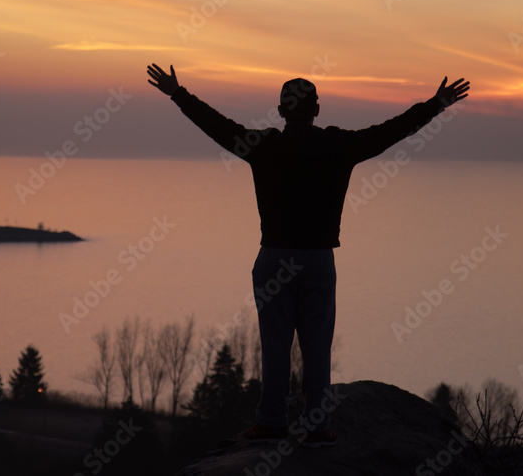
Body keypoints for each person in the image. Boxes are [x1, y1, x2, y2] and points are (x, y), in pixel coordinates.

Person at [146, 63, 469, 447]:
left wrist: (179, 94)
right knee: (317, 348)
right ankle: (317, 427)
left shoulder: (264, 145)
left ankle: (272, 422)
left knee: (275, 345)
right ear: (317, 109)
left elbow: (220, 127)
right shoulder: (337, 145)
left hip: (274, 258)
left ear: (281, 112)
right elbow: (390, 131)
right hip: (318, 261)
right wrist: (436, 105)